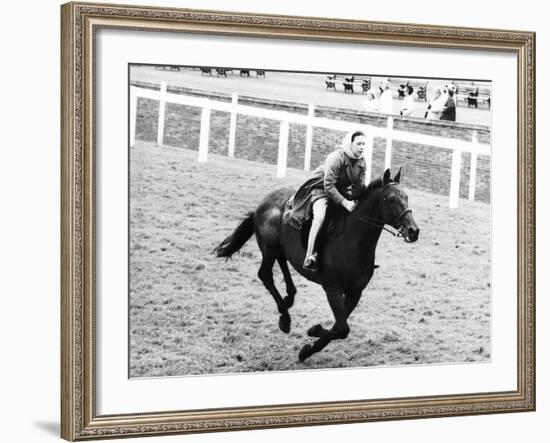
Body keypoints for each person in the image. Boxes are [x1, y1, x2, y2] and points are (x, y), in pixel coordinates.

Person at [289, 131, 367, 272]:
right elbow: (328, 186)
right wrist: (345, 203)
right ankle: (310, 256)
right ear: (351, 143)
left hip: (340, 191)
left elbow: (359, 186)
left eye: (363, 144)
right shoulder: (336, 157)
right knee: (320, 216)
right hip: (321, 188)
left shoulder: (362, 161)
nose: (362, 147)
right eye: (358, 143)